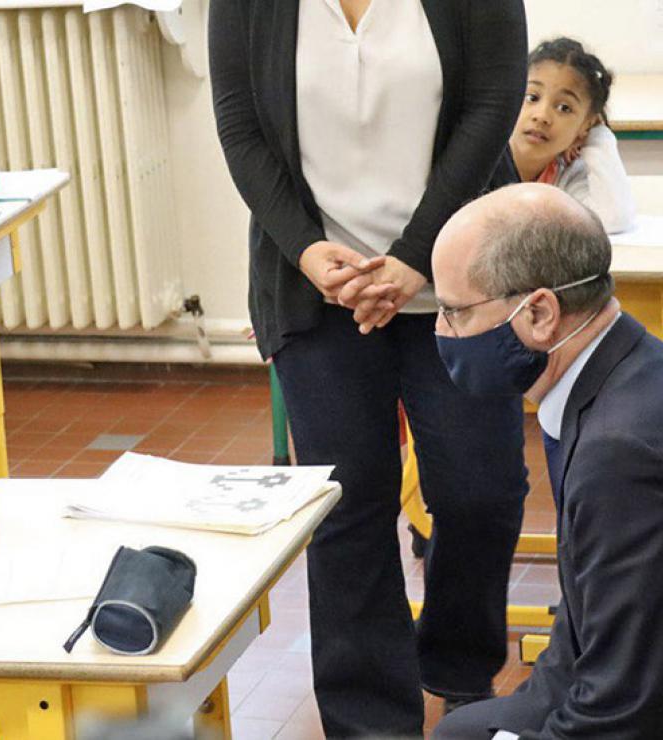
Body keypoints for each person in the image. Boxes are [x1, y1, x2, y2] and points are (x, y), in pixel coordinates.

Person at [208, 1, 530, 734]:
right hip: (318, 285)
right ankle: (368, 718)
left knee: (483, 492)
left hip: (462, 275)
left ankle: (458, 670)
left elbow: (491, 104)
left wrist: (418, 257)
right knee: (346, 509)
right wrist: (305, 249)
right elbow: (240, 124)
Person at [432, 183, 663, 739]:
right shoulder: (625, 370)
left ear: (539, 312)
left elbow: (623, 709)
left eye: (453, 311)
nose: (439, 332)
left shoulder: (618, 454)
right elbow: (590, 614)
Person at [509, 37, 636, 234]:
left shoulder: (567, 175)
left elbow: (613, 219)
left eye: (564, 108)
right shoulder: (480, 157)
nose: (541, 116)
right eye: (532, 97)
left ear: (586, 125)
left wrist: (597, 136)